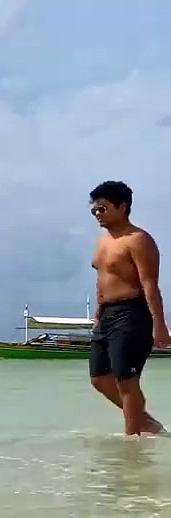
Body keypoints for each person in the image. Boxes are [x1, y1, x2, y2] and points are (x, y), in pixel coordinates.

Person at [87, 180, 171, 436]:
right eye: (94, 211)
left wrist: (160, 325)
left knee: (127, 380)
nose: (97, 215)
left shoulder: (138, 240)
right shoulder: (102, 242)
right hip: (108, 314)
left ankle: (132, 441)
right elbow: (102, 278)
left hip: (133, 312)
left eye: (102, 209)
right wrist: (99, 311)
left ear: (122, 207)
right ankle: (145, 422)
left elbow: (150, 284)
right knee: (100, 378)